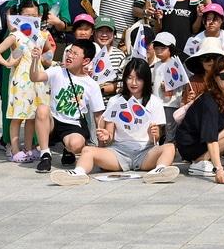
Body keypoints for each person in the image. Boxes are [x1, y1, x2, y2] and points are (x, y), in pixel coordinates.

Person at [51, 57, 178, 185]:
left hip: (145, 152)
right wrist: (106, 136)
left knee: (170, 147)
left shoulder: (154, 102)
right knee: (87, 151)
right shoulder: (115, 101)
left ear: (146, 80)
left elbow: (155, 139)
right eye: (129, 78)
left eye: (138, 79)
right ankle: (78, 173)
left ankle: (159, 171)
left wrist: (155, 134)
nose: (133, 83)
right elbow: (110, 136)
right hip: (118, 152)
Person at [30, 39, 106, 174]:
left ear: (86, 61)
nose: (70, 55)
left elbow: (98, 116)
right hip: (53, 120)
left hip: (72, 124)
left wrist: (101, 149)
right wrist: (35, 61)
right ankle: (45, 155)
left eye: (75, 54)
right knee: (42, 109)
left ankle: (68, 149)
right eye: (69, 51)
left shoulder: (91, 85)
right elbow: (35, 77)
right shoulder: (58, 71)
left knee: (75, 144)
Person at [0, 0, 52, 162]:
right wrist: (7, 63)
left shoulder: (42, 35)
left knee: (32, 114)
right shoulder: (15, 35)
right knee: (18, 115)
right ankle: (15, 149)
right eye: (26, 15)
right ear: (20, 16)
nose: (30, 18)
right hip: (20, 79)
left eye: (33, 15)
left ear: (39, 16)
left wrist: (47, 58)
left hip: (37, 78)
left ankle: (29, 147)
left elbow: (49, 53)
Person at [175, 54, 224, 181]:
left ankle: (212, 157)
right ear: (215, 78)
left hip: (204, 139)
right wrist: (219, 170)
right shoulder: (209, 101)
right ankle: (200, 161)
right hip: (191, 145)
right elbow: (210, 136)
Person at [90, 17, 125, 96]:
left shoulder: (120, 55)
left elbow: (123, 83)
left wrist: (101, 89)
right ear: (94, 32)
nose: (104, 35)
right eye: (100, 31)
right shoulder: (86, 51)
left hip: (110, 104)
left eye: (108, 31)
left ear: (113, 34)